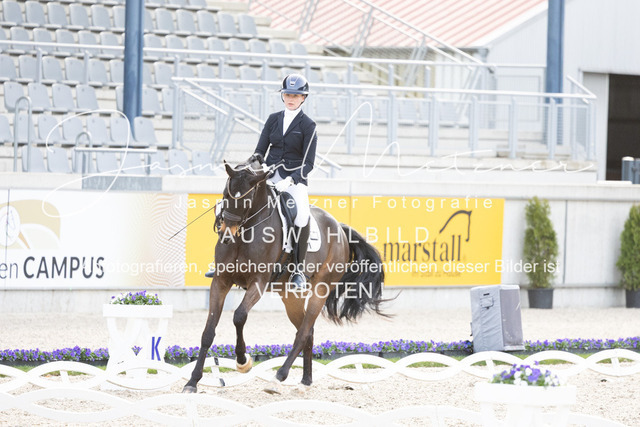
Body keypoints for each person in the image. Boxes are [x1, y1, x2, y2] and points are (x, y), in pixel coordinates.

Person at [205, 74, 317, 288]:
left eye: (295, 95)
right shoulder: (273, 119)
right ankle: (221, 260)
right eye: (287, 94)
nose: (291, 99)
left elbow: (308, 163)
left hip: (293, 180)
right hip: (267, 175)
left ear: (303, 98)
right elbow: (259, 152)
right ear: (283, 96)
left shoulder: (308, 125)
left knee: (302, 216)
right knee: (233, 204)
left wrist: (290, 180)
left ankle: (298, 270)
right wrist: (256, 167)